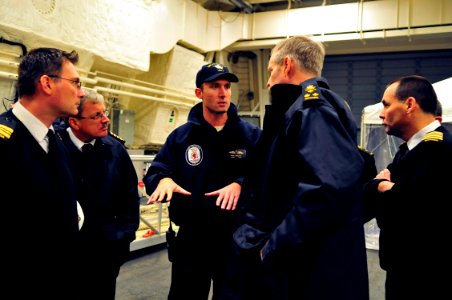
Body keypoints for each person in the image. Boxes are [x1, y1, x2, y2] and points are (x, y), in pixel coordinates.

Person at [228, 36, 369, 300]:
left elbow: (326, 188)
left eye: (271, 70)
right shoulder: (319, 106)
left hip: (305, 265)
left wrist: (272, 246)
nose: (268, 81)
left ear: (287, 65)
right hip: (307, 259)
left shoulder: (311, 109)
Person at [143, 62, 261, 300]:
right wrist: (163, 179)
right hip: (192, 240)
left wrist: (241, 184)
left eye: (227, 86)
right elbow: (156, 171)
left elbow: (267, 176)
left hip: (236, 239)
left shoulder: (250, 135)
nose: (223, 93)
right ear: (199, 92)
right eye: (215, 86)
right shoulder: (181, 137)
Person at [0, 47, 84, 298]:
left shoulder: (53, 141)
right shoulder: (5, 142)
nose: (80, 92)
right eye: (76, 82)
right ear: (46, 83)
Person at [363, 75, 451, 299]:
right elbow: (385, 208)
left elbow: (413, 209)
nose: (382, 113)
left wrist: (383, 187)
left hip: (427, 277)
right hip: (402, 270)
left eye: (386, 104)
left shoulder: (440, 147)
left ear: (410, 104)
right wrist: (384, 188)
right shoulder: (408, 150)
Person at [57, 87, 140, 300]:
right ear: (74, 122)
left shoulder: (115, 150)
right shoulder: (54, 149)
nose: (105, 120)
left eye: (104, 113)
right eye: (96, 116)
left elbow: (130, 198)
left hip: (105, 253)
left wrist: (122, 239)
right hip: (65, 255)